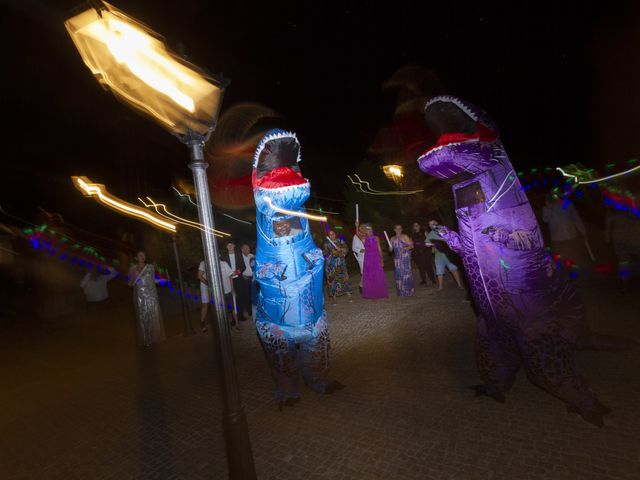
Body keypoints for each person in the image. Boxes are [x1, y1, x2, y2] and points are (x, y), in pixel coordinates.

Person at [128, 251, 165, 347]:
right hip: (140, 297)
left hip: (151, 295)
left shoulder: (150, 267)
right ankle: (146, 339)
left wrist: (162, 280)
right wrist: (136, 280)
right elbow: (130, 284)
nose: (142, 257)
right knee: (143, 317)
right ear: (136, 258)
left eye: (144, 255)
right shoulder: (132, 269)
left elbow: (154, 280)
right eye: (140, 255)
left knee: (153, 315)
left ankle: (155, 338)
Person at [543, 192, 590, 268]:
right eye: (554, 196)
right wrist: (548, 208)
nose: (556, 198)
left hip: (571, 237)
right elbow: (545, 219)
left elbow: (576, 219)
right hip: (557, 239)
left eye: (558, 196)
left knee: (573, 258)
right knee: (560, 260)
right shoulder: (548, 207)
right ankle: (565, 274)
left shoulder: (568, 205)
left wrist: (583, 231)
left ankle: (575, 275)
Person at [427, 220, 464, 291]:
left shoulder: (443, 229)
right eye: (430, 225)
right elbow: (427, 243)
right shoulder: (431, 233)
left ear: (437, 223)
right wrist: (430, 244)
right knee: (439, 271)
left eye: (433, 224)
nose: (432, 225)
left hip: (448, 254)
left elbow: (451, 238)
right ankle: (440, 287)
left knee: (453, 269)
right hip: (438, 255)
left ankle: (459, 284)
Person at [219, 240, 247, 321]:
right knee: (230, 298)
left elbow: (243, 266)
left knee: (240, 297)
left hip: (238, 279)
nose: (230, 246)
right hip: (228, 280)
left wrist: (237, 272)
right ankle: (233, 318)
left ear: (234, 246)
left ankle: (240, 315)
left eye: (231, 245)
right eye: (228, 245)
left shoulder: (239, 254)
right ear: (226, 247)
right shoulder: (223, 256)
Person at [323, 229, 353, 304]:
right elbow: (324, 253)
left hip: (340, 263)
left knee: (343, 278)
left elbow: (346, 249)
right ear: (328, 236)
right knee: (332, 280)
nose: (332, 235)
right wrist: (328, 254)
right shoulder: (326, 244)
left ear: (335, 234)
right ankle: (334, 298)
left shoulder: (340, 241)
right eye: (330, 234)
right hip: (331, 265)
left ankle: (349, 295)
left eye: (333, 234)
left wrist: (341, 249)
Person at [361, 224, 389, 299]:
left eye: (370, 229)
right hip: (368, 258)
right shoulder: (363, 238)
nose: (369, 231)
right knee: (370, 276)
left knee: (378, 275)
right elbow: (359, 233)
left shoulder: (376, 238)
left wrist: (382, 259)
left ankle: (380, 292)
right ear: (366, 231)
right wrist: (357, 226)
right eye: (368, 230)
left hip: (376, 257)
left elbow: (379, 248)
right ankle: (372, 294)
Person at [389, 224, 415, 296]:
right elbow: (390, 250)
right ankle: (401, 291)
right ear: (394, 230)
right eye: (397, 228)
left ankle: (409, 290)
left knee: (406, 273)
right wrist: (390, 248)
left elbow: (411, 246)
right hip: (397, 259)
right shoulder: (392, 238)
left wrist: (404, 248)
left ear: (402, 229)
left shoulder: (405, 236)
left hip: (405, 257)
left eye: (400, 228)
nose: (398, 230)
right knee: (399, 274)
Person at [410, 221, 436, 286]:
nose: (416, 226)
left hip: (426, 251)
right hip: (417, 253)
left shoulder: (424, 232)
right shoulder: (412, 235)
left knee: (428, 265)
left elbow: (430, 240)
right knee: (421, 267)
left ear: (419, 226)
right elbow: (411, 244)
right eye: (414, 225)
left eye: (417, 225)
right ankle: (423, 280)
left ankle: (432, 279)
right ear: (413, 227)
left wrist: (433, 247)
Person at [239, 243, 254, 320]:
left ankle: (250, 310)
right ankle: (245, 311)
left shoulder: (251, 256)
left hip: (252, 279)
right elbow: (236, 268)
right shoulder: (239, 257)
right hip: (244, 279)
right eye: (244, 248)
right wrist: (241, 275)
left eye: (248, 248)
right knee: (245, 296)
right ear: (242, 249)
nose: (246, 250)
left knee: (252, 295)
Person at [351, 222, 366, 292]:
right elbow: (354, 248)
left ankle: (367, 285)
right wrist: (363, 250)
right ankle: (362, 285)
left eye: (364, 227)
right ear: (359, 229)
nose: (363, 229)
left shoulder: (367, 235)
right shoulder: (356, 236)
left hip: (370, 256)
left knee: (370, 271)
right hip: (362, 257)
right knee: (364, 272)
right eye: (361, 227)